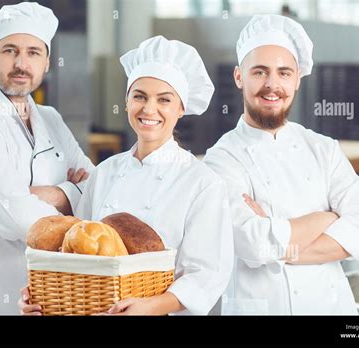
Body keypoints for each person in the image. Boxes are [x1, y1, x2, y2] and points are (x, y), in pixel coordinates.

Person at [19, 35, 234, 315]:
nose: (149, 109)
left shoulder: (202, 183)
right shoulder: (105, 172)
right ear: (127, 100)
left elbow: (206, 275)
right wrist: (38, 294)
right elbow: (73, 252)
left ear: (181, 109)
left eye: (164, 100)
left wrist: (148, 307)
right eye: (140, 96)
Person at [203, 14, 359, 314]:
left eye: (284, 73)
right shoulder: (221, 158)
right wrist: (327, 218)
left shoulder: (325, 150)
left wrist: (276, 245)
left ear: (297, 79)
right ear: (238, 77)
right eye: (260, 72)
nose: (273, 85)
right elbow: (251, 243)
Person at [0, 2, 94, 315]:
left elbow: (97, 191)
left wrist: (52, 195)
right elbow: (18, 221)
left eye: (34, 52)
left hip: (55, 296)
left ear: (47, 63)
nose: (22, 63)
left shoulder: (51, 119)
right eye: (10, 50)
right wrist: (73, 198)